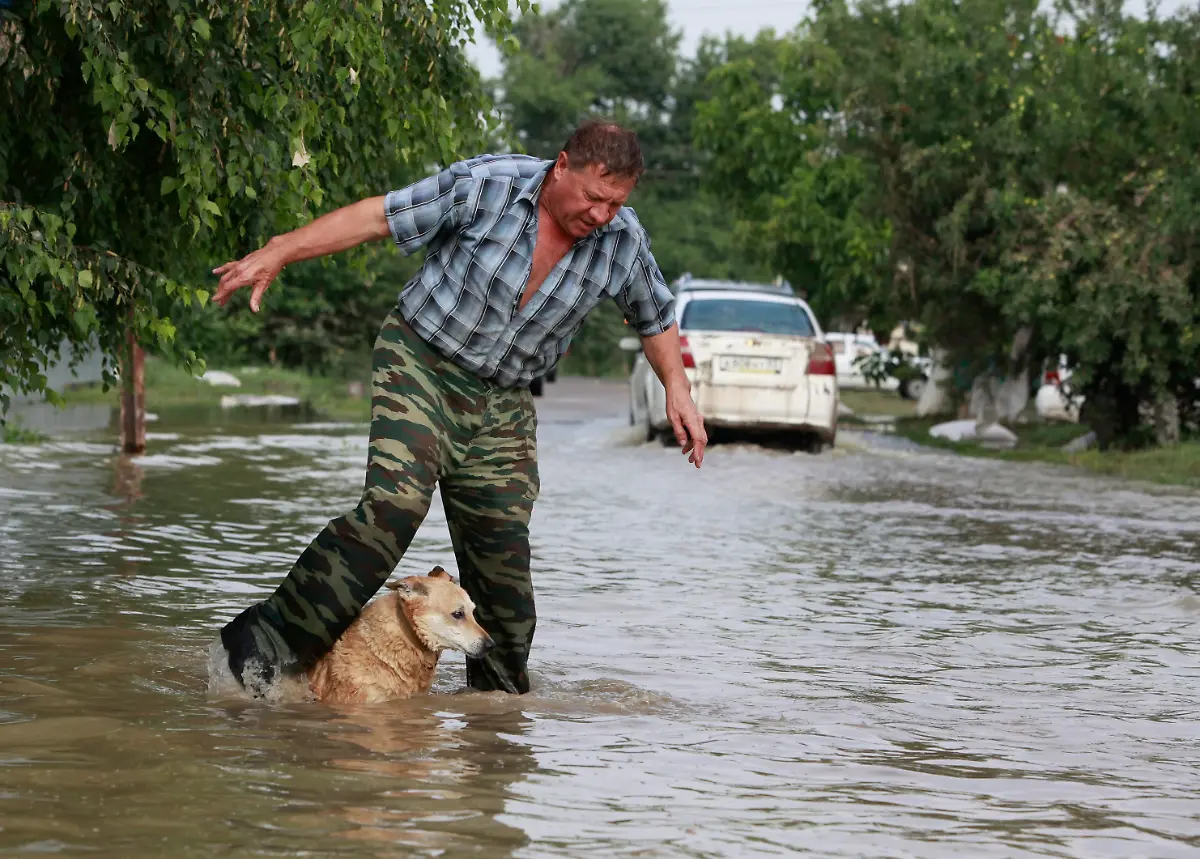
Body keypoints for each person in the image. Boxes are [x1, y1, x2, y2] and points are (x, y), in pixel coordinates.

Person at [211, 120, 706, 697]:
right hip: (421, 361)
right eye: (594, 198)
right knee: (394, 509)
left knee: (504, 579)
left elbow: (654, 313)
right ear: (562, 165)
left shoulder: (623, 240)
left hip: (504, 404)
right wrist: (281, 251)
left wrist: (677, 385)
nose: (601, 215)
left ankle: (492, 722)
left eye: (615, 204)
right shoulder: (488, 185)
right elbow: (379, 217)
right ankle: (263, 650)